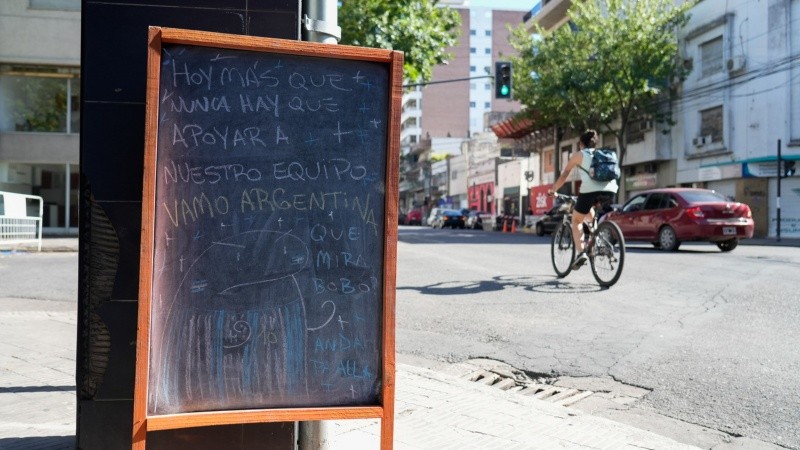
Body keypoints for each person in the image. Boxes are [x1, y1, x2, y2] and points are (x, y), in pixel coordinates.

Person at [547, 129, 618, 270]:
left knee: (576, 220)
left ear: (581, 144)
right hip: (610, 190)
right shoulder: (601, 154)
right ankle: (598, 242)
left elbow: (565, 174)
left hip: (590, 191)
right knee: (590, 215)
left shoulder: (579, 155)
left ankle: (581, 253)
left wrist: (553, 190)